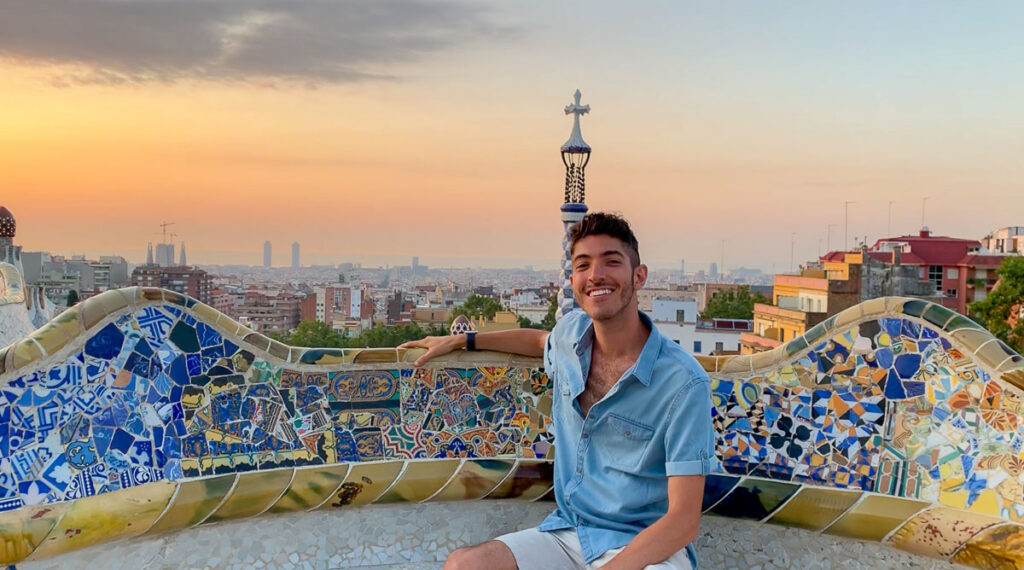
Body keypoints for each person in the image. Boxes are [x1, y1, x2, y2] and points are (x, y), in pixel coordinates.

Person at [399, 212, 714, 570]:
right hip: (571, 534)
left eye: (612, 261)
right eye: (584, 265)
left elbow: (683, 522)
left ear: (638, 276)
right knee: (465, 565)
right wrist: (464, 339)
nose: (596, 275)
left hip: (643, 548)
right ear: (574, 280)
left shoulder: (682, 382)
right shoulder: (571, 337)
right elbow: (537, 340)